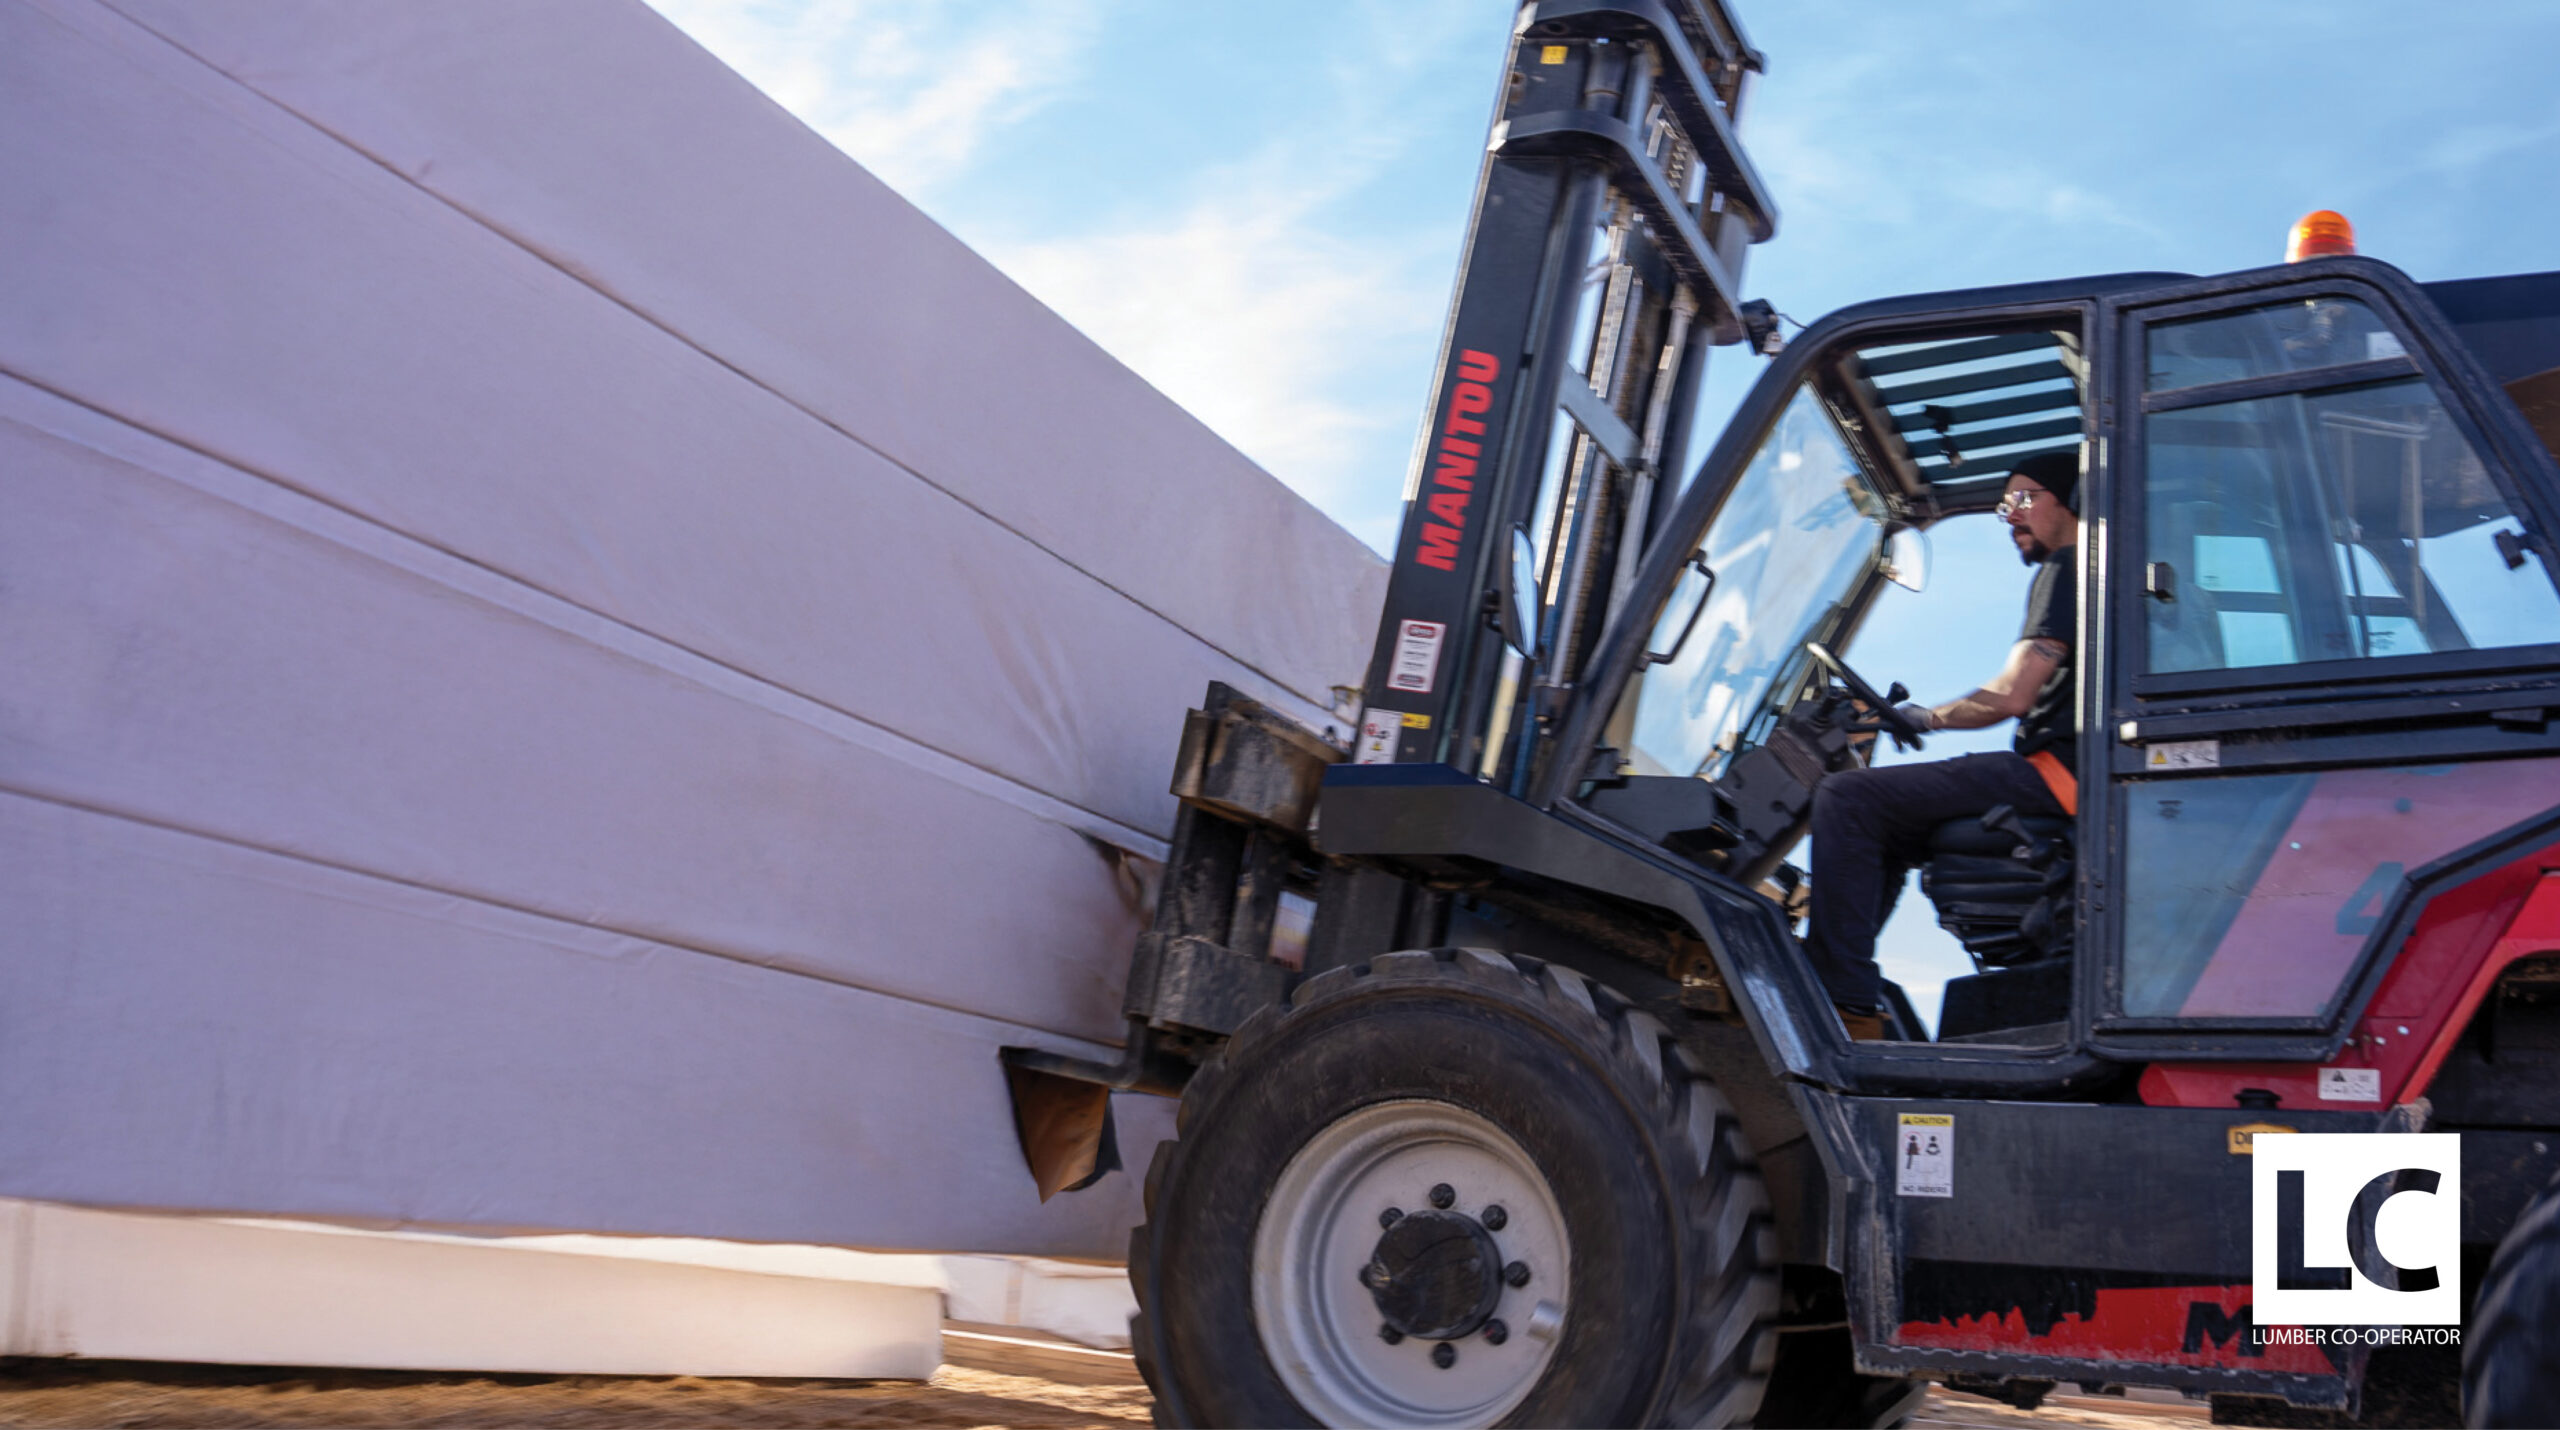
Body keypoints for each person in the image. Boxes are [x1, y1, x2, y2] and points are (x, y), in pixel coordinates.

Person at [1805, 450, 2082, 1041]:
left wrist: (1926, 717)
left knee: (1847, 799)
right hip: (2069, 777)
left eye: (2024, 498)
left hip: (2054, 775)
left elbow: (2011, 696)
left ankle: (1840, 999)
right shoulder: (2101, 577)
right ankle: (1847, 985)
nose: (2010, 515)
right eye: (2004, 505)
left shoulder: (2069, 568)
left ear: (2070, 500)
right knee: (1888, 826)